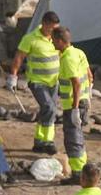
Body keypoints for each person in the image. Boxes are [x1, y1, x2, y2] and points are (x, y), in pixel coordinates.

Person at [8, 11, 63, 159]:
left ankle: (40, 141)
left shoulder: (57, 38)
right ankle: (48, 141)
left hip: (53, 81)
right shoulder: (30, 39)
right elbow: (19, 57)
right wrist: (13, 76)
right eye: (52, 29)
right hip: (37, 82)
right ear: (44, 24)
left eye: (56, 29)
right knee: (49, 108)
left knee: (49, 111)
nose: (54, 32)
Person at [51, 25, 91, 177]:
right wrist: (88, 98)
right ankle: (82, 169)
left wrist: (74, 109)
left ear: (61, 41)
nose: (53, 44)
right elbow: (89, 75)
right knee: (78, 136)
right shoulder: (79, 52)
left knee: (73, 138)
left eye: (54, 41)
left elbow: (76, 83)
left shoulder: (68, 58)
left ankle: (77, 172)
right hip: (83, 101)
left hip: (73, 105)